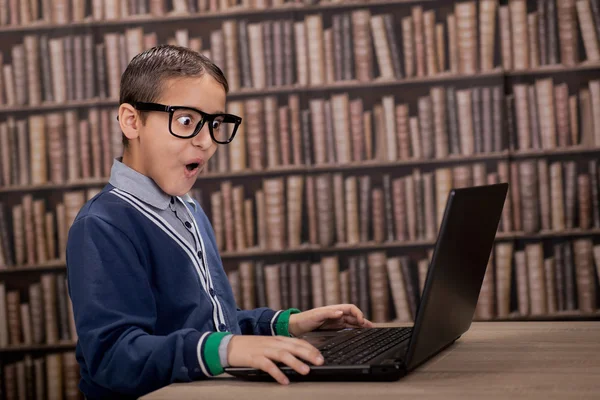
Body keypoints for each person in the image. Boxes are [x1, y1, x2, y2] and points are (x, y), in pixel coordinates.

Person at [65, 44, 373, 400]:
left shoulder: (189, 209)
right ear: (131, 121)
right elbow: (114, 358)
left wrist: (286, 324)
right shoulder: (102, 225)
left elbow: (207, 324)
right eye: (186, 121)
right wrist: (227, 351)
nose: (207, 141)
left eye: (214, 124)